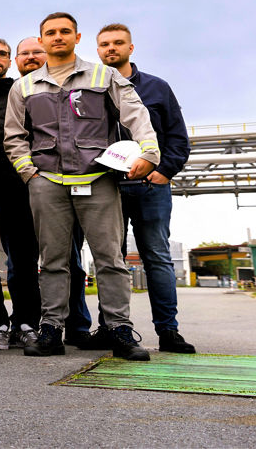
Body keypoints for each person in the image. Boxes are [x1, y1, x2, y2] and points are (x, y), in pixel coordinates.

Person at [4, 12, 157, 361]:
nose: (58, 37)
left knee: (111, 259)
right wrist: (29, 173)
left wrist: (150, 152)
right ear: (41, 40)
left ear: (77, 37)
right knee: (53, 260)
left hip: (97, 179)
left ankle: (119, 330)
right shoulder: (24, 86)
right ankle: (51, 330)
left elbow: (135, 114)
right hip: (48, 181)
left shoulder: (105, 76)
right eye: (50, 33)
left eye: (65, 32)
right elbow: (13, 136)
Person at [96, 23, 196, 354]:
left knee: (156, 256)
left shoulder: (157, 88)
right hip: (108, 187)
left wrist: (165, 170)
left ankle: (169, 331)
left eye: (118, 43)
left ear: (130, 47)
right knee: (110, 259)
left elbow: (178, 136)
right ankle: (110, 328)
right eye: (105, 44)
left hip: (151, 187)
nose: (111, 48)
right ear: (97, 50)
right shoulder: (91, 91)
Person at [15, 37, 95, 346]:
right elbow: (11, 137)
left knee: (70, 259)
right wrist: (29, 173)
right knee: (24, 266)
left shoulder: (67, 86)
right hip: (25, 189)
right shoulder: (17, 91)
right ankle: (31, 325)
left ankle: (77, 325)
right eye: (26, 53)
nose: (32, 57)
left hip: (64, 185)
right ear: (16, 60)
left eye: (37, 51)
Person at [0, 37, 41, 351]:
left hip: (18, 181)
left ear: (10, 60)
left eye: (2, 53)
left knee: (24, 256)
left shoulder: (23, 90)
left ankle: (26, 323)